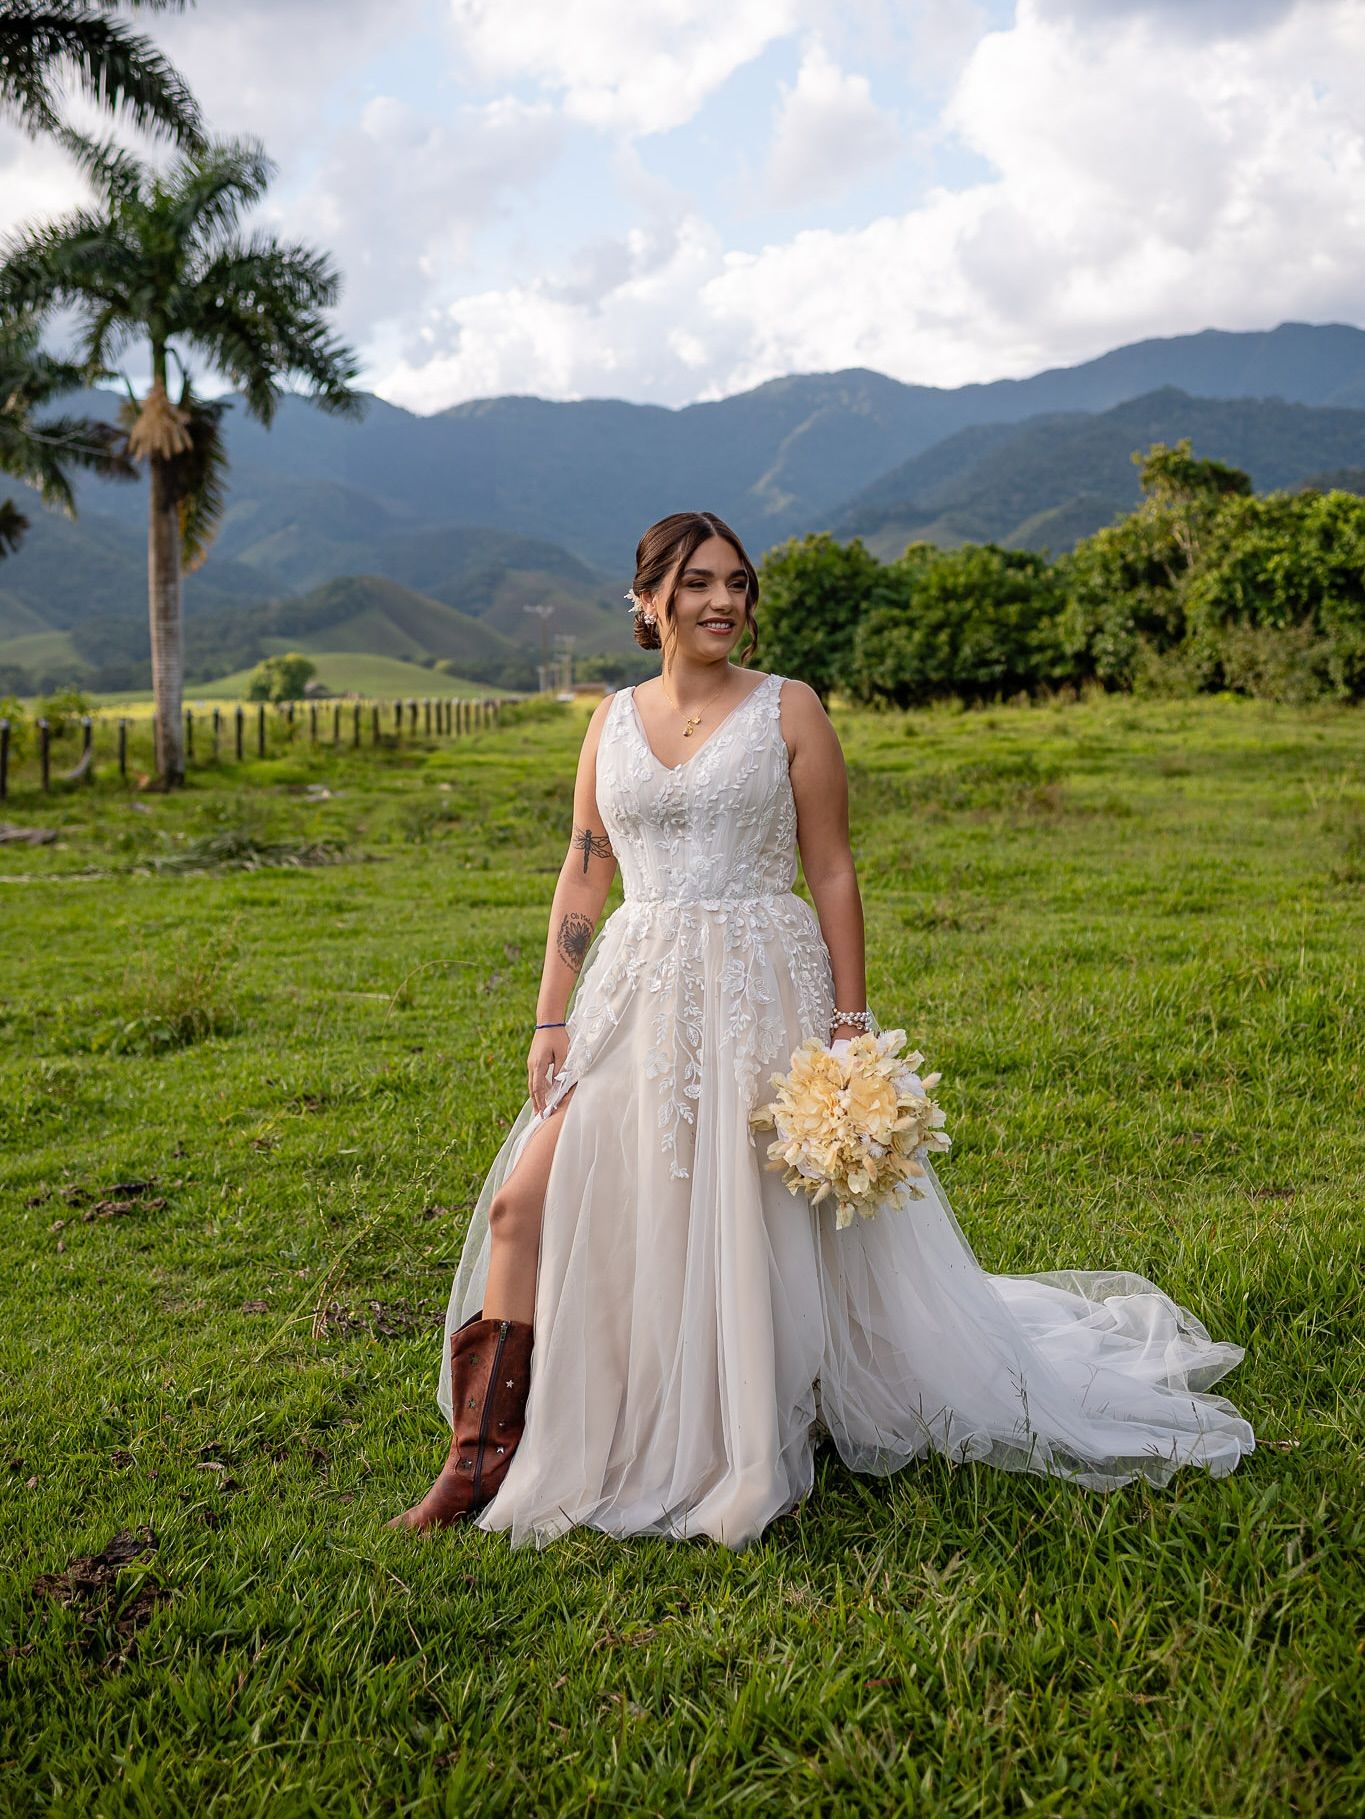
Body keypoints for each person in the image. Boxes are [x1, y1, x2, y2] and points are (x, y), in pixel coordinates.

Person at [387, 509, 1254, 1548]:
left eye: (738, 584)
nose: (723, 602)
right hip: (637, 990)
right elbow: (585, 866)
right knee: (532, 1198)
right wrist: (549, 1015)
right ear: (649, 597)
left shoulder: (789, 709)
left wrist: (850, 1029)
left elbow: (832, 865)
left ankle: (747, 1422)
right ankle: (479, 1455)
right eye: (700, 581)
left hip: (762, 982)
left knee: (747, 1214)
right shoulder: (610, 719)